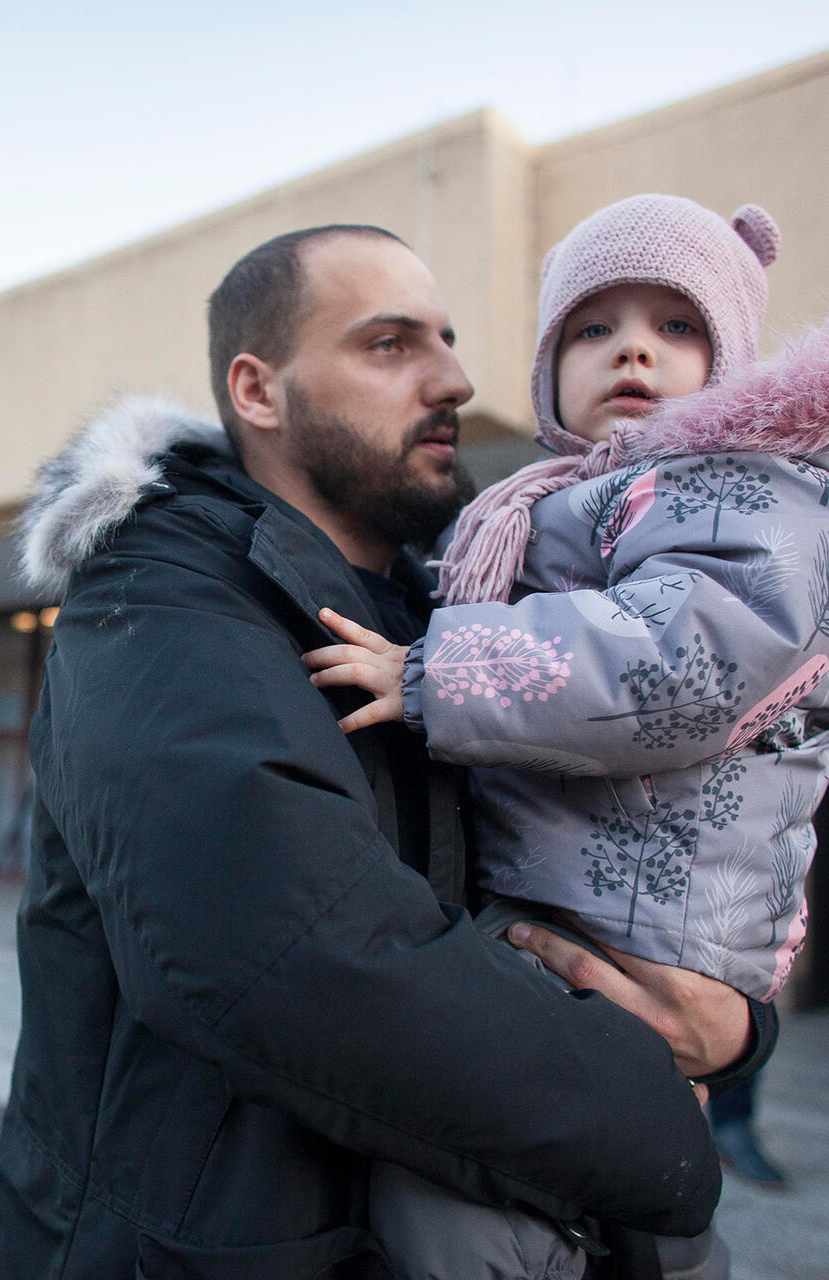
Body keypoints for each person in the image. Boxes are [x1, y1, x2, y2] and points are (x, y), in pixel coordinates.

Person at [0, 224, 762, 1280]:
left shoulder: (447, 618)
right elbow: (296, 961)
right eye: (390, 344)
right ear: (257, 391)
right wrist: (660, 1121)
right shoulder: (161, 597)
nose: (453, 377)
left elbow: (590, 849)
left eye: (442, 337)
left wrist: (729, 1025)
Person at [304, 196, 826, 1277]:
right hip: (578, 901)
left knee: (485, 1184)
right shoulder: (549, 499)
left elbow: (676, 661)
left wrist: (436, 670)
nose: (630, 345)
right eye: (593, 327)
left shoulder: (742, 489)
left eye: (674, 325)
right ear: (547, 368)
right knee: (553, 1188)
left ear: (727, 358)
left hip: (651, 910)